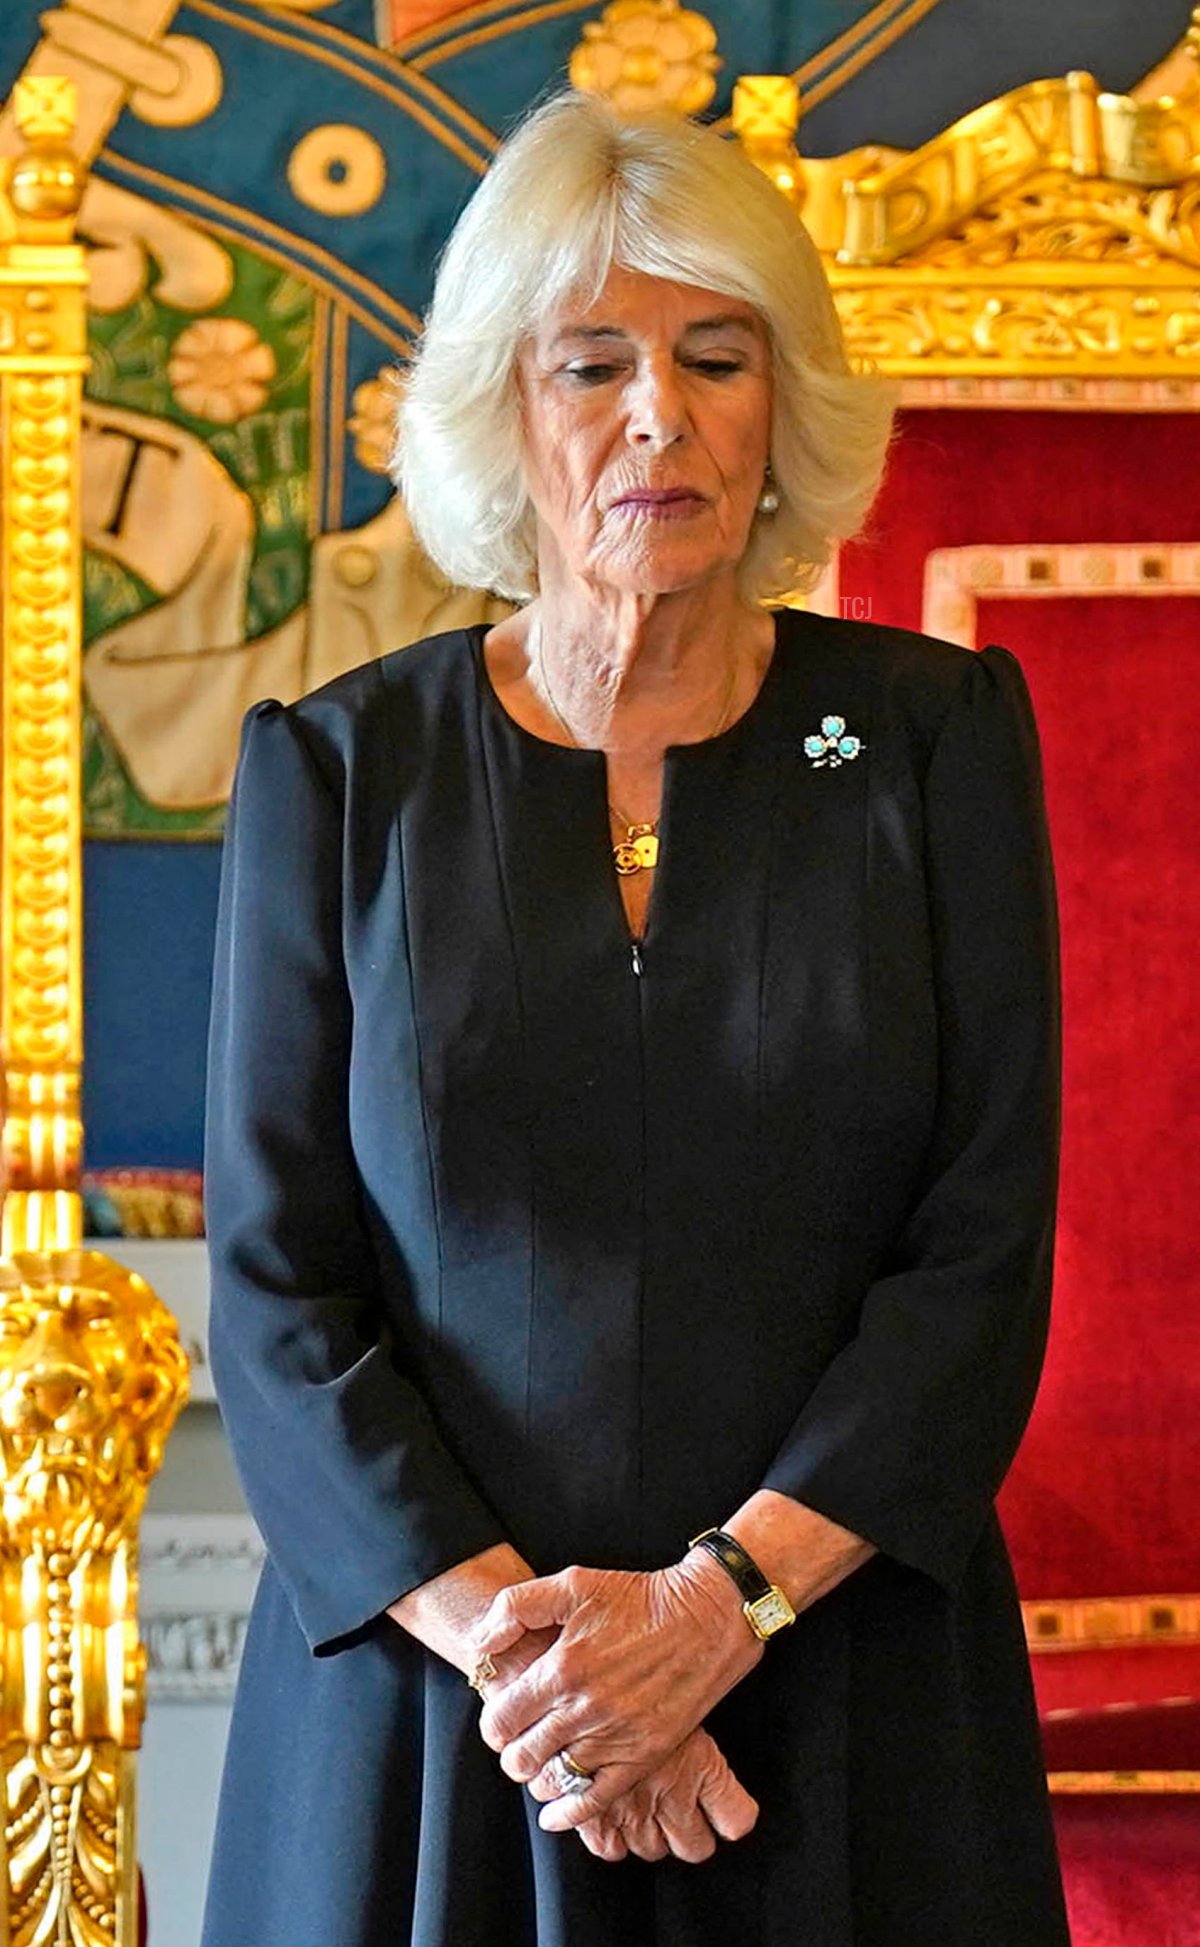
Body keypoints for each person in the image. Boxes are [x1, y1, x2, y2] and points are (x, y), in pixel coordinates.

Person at [201, 91, 1069, 1947]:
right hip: (447, 1722)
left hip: (845, 1699)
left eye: (716, 356)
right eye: (592, 360)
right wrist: (562, 1678)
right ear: (510, 412)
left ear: (782, 410)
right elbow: (279, 1292)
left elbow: (981, 1256)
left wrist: (712, 1616)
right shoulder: (341, 773)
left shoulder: (929, 745)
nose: (657, 416)